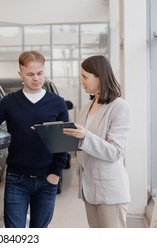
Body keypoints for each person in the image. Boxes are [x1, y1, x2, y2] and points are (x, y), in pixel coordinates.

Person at [0, 50, 69, 228]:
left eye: (40, 73)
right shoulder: (9, 102)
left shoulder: (57, 103)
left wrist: (56, 174)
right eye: (30, 74)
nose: (36, 78)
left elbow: (63, 140)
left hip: (47, 179)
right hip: (17, 179)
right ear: (20, 74)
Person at [63, 55, 131, 228]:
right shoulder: (87, 106)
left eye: (85, 77)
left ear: (100, 76)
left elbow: (115, 152)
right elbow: (81, 143)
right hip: (89, 187)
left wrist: (85, 136)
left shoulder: (119, 106)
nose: (81, 81)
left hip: (110, 190)